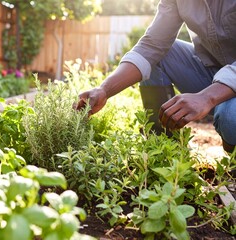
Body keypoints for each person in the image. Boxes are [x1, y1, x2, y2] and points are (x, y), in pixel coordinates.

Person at [75, 0, 236, 153]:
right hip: (214, 73)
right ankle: (166, 155)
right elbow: (152, 46)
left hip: (227, 88)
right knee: (158, 57)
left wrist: (207, 98)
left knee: (230, 116)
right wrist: (104, 90)